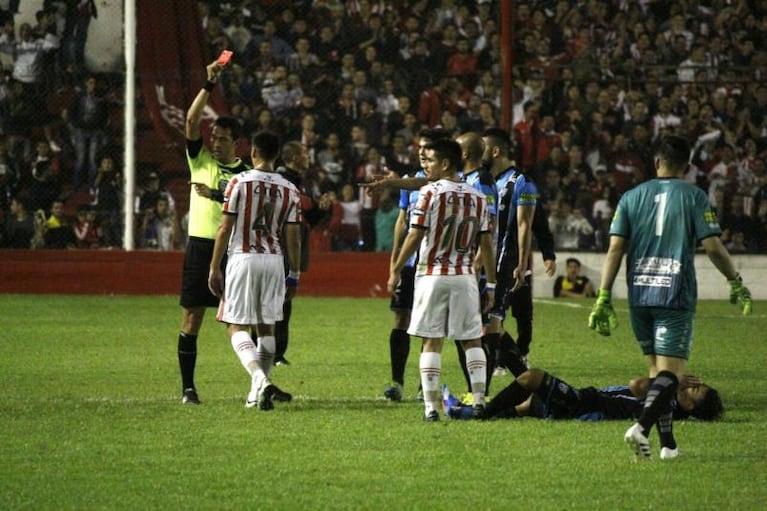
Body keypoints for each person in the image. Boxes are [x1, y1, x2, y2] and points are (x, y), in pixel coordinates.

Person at [588, 135, 752, 460]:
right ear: (688, 166)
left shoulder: (631, 197)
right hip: (674, 292)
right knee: (673, 376)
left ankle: (668, 445)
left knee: (655, 374)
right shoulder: (694, 196)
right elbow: (713, 246)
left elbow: (615, 248)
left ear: (656, 162)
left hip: (639, 293)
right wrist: (736, 281)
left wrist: (603, 295)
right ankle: (641, 427)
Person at [387, 138, 496, 421]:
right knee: (472, 340)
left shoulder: (429, 193)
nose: (427, 167)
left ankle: (431, 408)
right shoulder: (477, 197)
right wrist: (492, 284)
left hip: (433, 275)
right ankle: (481, 401)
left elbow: (415, 234)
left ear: (445, 163)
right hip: (465, 278)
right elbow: (486, 244)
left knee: (432, 341)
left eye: (431, 161)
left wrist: (397, 268)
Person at [207, 131, 300, 411]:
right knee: (266, 326)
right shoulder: (290, 189)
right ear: (277, 155)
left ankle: (260, 379)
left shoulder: (239, 182)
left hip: (243, 257)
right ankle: (255, 393)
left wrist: (214, 267)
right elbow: (293, 236)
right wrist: (294, 273)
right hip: (274, 260)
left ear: (253, 153)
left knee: (235, 325)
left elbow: (224, 228)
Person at [176, 59, 249, 405]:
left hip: (234, 250)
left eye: (222, 139)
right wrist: (208, 84)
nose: (215, 143)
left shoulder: (246, 172)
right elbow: (191, 120)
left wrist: (219, 195)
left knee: (241, 320)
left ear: (237, 142)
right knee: (193, 316)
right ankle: (188, 388)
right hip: (200, 246)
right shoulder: (200, 159)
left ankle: (259, 381)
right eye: (214, 137)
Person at [482, 128, 556, 382]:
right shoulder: (486, 181)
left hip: (509, 259)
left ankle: (516, 365)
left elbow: (528, 223)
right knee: (491, 318)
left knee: (503, 316)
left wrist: (528, 260)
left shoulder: (522, 183)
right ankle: (511, 365)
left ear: (495, 150)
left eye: (482, 147)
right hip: (489, 259)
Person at [444, 368, 724, 423]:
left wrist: (671, 381)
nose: (690, 386)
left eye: (694, 391)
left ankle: (480, 413)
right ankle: (464, 412)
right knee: (530, 405)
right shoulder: (670, 406)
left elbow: (637, 384)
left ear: (690, 406)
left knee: (532, 377)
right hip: (587, 403)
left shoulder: (667, 405)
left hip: (584, 404)